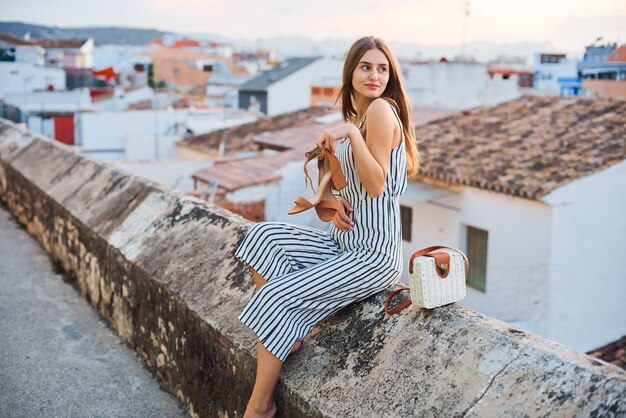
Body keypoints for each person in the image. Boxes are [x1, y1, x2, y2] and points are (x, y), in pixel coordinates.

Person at [234, 35, 419, 418]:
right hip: (342, 244)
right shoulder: (358, 119)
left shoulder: (382, 112)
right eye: (366, 67)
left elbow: (377, 183)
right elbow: (350, 186)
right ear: (351, 72)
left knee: (276, 297)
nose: (375, 75)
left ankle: (259, 407)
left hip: (373, 255)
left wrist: (349, 133)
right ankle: (286, 332)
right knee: (261, 237)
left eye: (382, 68)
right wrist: (334, 205)